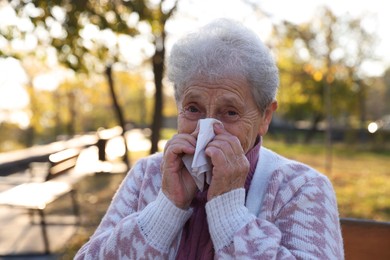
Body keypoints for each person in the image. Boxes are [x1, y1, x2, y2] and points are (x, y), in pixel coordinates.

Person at [75, 18, 344, 259]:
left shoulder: (301, 188)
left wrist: (229, 214)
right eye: (193, 108)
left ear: (265, 117)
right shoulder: (147, 174)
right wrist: (165, 208)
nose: (208, 129)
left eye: (230, 112)